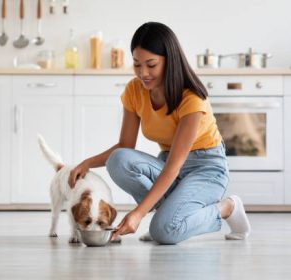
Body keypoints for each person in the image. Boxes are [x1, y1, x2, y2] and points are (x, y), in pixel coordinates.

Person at [68, 22, 251, 244]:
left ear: (169, 61)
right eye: (137, 64)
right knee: (119, 159)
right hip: (167, 164)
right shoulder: (135, 90)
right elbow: (125, 146)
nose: (143, 73)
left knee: (164, 232)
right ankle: (169, 216)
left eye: (151, 65)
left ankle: (227, 208)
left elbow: (175, 164)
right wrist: (87, 163)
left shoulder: (191, 97)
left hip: (205, 169)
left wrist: (138, 213)